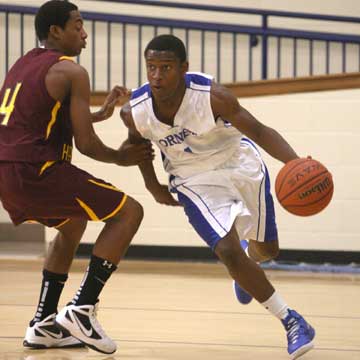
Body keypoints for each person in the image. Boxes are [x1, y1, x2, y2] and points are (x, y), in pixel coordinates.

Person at [120, 34, 315, 359]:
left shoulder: (213, 97)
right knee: (225, 249)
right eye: (151, 67)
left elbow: (261, 131)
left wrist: (296, 164)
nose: (156, 75)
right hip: (191, 178)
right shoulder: (135, 111)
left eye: (165, 68)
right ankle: (292, 321)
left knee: (267, 250)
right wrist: (153, 186)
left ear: (183, 68)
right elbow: (140, 148)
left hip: (238, 161)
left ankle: (249, 264)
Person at [0, 0, 154, 355]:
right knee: (129, 212)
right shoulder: (71, 71)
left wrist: (99, 113)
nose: (85, 34)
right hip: (37, 168)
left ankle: (43, 323)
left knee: (72, 225)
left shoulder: (23, 63)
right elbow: (84, 144)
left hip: (8, 170)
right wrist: (120, 157)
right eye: (78, 26)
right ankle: (82, 309)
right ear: (56, 31)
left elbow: (47, 118)